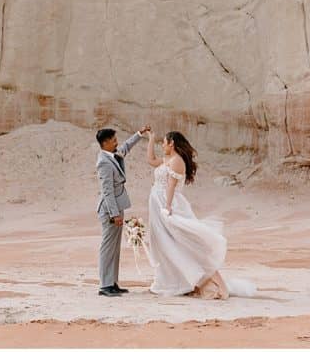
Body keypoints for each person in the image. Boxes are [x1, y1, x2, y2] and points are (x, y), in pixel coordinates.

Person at [144, 128, 255, 299]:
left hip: (167, 204)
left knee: (178, 242)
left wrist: (167, 207)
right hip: (157, 204)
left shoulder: (176, 161)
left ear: (172, 143)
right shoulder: (168, 159)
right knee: (163, 243)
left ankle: (196, 281)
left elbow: (171, 186)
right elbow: (151, 160)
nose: (162, 146)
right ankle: (170, 280)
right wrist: (150, 138)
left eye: (163, 142)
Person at [95, 126, 149, 297]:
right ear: (105, 143)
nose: (116, 142)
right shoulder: (104, 162)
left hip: (117, 208)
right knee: (108, 247)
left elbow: (126, 146)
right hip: (111, 211)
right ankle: (105, 285)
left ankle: (113, 283)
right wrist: (114, 214)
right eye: (113, 140)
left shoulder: (113, 155)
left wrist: (139, 133)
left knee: (115, 248)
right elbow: (107, 191)